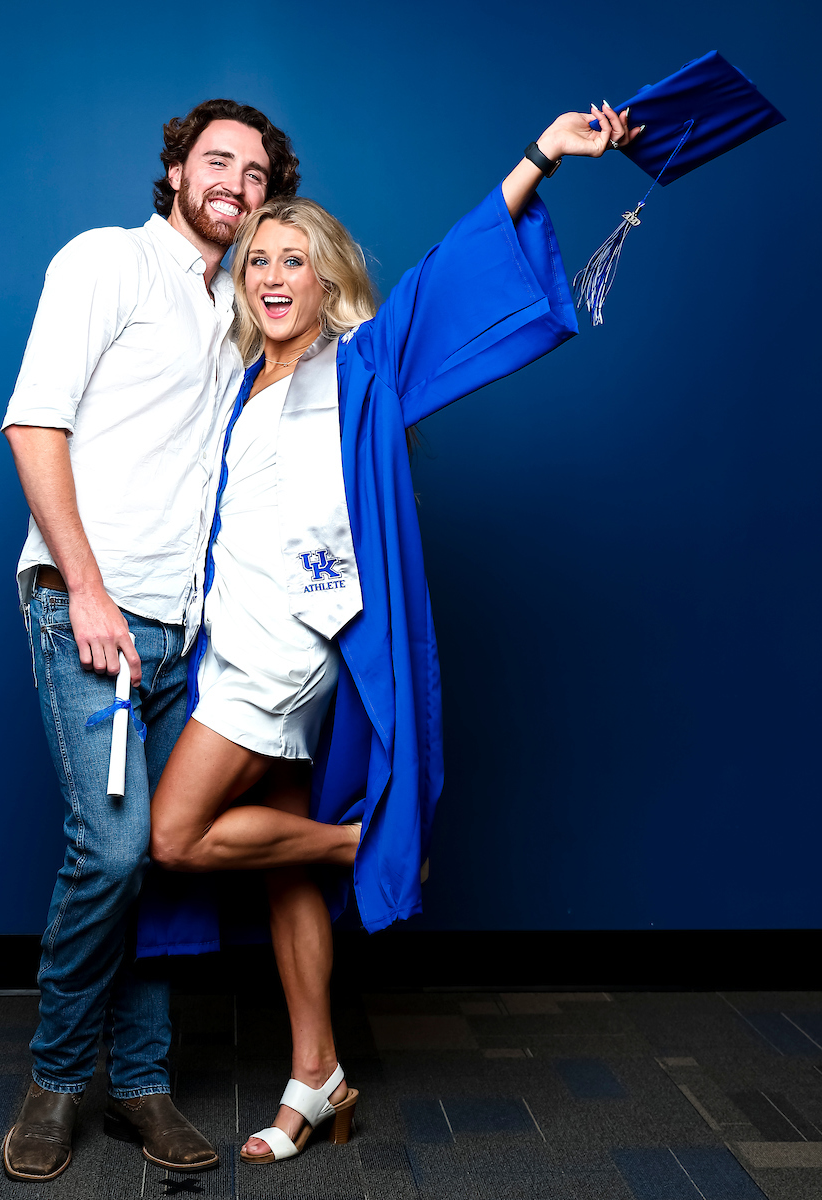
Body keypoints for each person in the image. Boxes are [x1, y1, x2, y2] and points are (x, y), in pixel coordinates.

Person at [143, 103, 641, 1163]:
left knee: (174, 838)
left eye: (296, 260)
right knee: (280, 881)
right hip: (231, 649)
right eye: (258, 260)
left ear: (327, 281)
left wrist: (541, 156)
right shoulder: (244, 385)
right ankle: (316, 1074)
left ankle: (361, 843)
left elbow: (453, 271)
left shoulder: (361, 368)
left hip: (284, 656)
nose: (273, 274)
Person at [0, 98, 299, 1182]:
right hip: (93, 613)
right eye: (216, 160)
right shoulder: (106, 263)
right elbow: (36, 422)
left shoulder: (240, 310)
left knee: (168, 863)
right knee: (115, 849)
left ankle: (143, 1084)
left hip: (191, 634)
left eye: (257, 173)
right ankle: (56, 1078)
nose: (236, 181)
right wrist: (86, 590)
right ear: (175, 169)